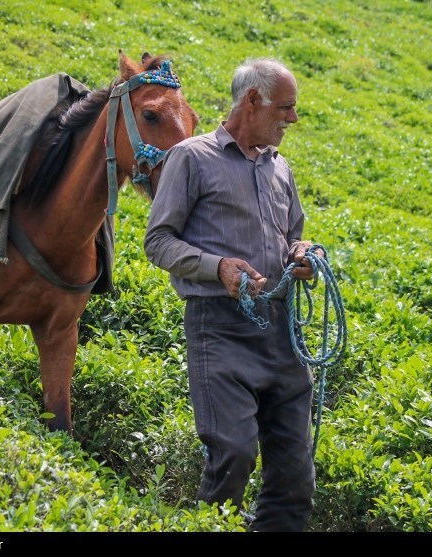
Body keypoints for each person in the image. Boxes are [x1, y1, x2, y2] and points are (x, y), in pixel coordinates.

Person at [143, 57, 320, 532]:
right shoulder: (192, 158)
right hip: (219, 329)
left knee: (296, 473)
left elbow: (293, 237)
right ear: (254, 100)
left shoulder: (281, 167)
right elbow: (158, 241)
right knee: (234, 453)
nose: (293, 119)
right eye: (286, 107)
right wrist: (217, 267)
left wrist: (303, 255)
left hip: (281, 334)